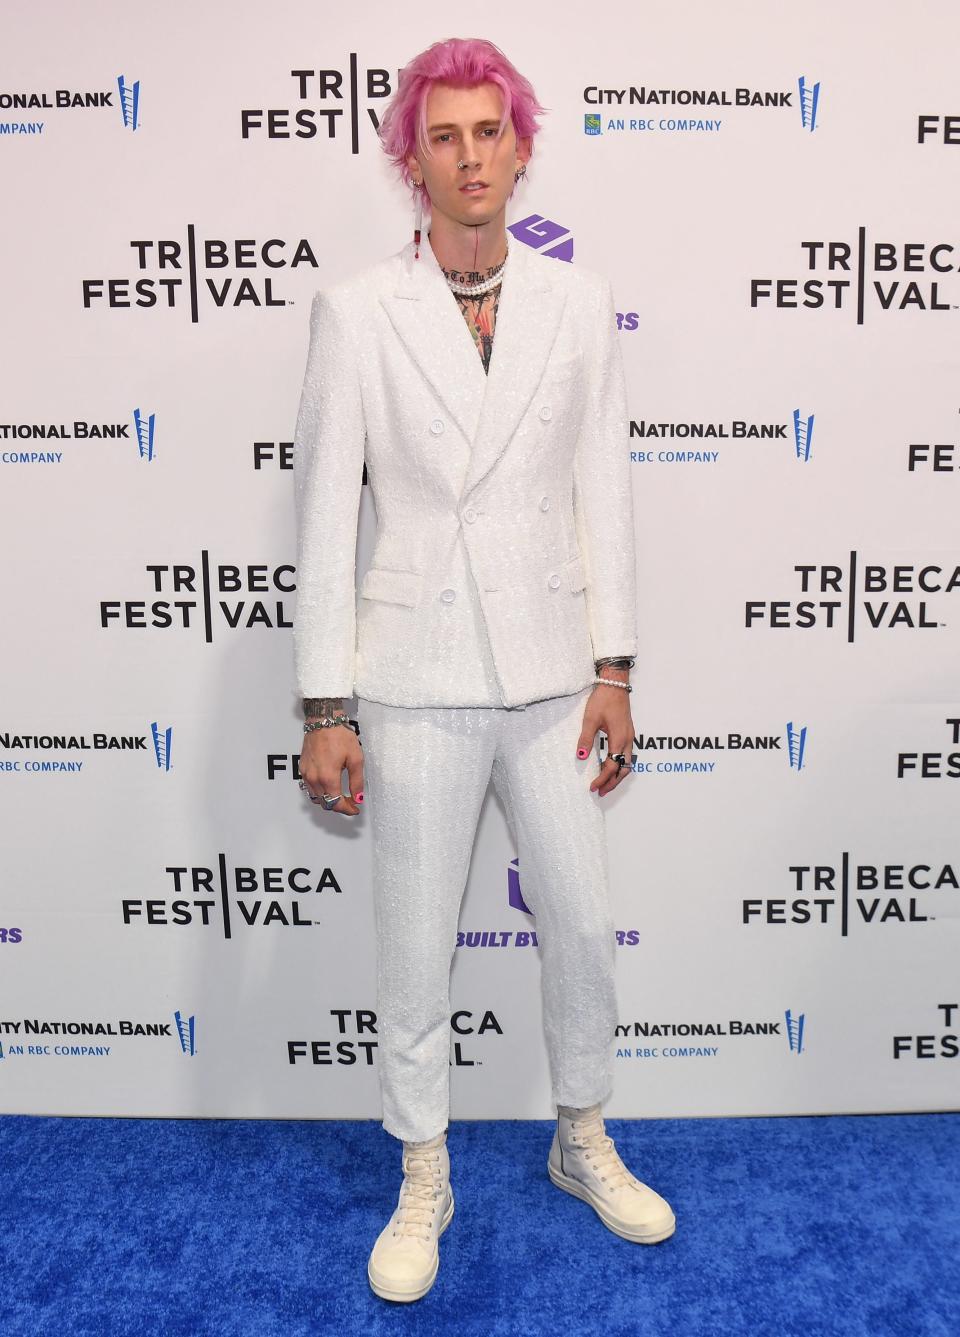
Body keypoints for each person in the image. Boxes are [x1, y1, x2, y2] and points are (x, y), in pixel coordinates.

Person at [292, 36, 676, 1304]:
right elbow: (323, 521)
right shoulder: (358, 312)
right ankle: (422, 1170)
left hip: (557, 671)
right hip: (410, 671)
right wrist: (324, 700)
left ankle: (581, 1136)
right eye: (444, 136)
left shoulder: (579, 304)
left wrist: (616, 665)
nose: (470, 156)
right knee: (413, 945)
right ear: (415, 158)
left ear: (522, 146)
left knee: (578, 922)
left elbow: (601, 494)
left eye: (489, 132)